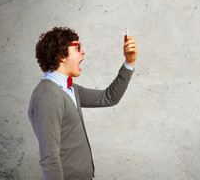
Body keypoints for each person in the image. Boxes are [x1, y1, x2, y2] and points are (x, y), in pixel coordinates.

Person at [28, 27, 138, 180]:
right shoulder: (48, 97)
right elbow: (49, 159)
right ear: (61, 55)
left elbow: (108, 97)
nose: (83, 52)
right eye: (77, 48)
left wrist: (129, 62)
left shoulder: (70, 88)